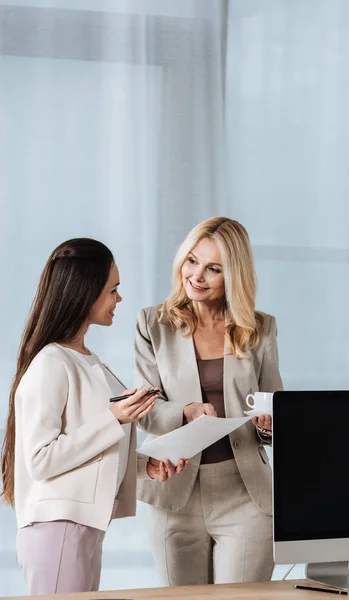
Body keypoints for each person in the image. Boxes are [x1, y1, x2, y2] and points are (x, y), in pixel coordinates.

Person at [0, 238, 187, 596]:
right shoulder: (51, 363)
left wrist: (143, 465)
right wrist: (114, 418)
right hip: (58, 529)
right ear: (85, 293)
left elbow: (88, 447)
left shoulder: (85, 358)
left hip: (82, 526)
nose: (119, 299)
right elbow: (41, 459)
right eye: (113, 290)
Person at [134, 216, 283, 586]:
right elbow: (144, 410)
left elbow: (278, 405)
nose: (196, 275)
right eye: (192, 261)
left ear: (234, 275)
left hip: (245, 493)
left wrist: (271, 425)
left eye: (213, 268)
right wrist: (184, 412)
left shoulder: (259, 328)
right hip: (175, 492)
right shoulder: (153, 324)